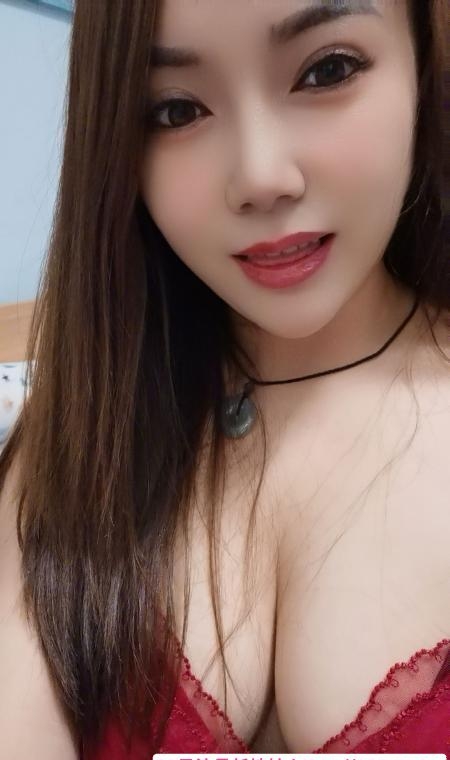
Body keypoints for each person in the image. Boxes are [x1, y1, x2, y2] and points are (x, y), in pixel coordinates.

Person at [0, 0, 449, 756]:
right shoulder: (82, 434)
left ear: (424, 67)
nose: (260, 177)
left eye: (327, 70)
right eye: (176, 111)